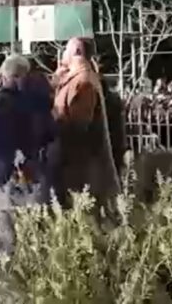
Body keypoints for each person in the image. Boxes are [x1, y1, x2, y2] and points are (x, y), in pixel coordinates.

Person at [0, 55, 54, 263]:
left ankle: (4, 289)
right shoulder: (42, 104)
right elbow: (50, 135)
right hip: (34, 179)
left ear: (6, 76)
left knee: (2, 243)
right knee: (32, 244)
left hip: (5, 181)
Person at [48, 38, 120, 208]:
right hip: (72, 167)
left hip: (79, 169)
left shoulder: (83, 82)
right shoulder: (74, 80)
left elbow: (78, 127)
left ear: (77, 52)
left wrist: (50, 127)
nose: (63, 53)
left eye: (66, 49)